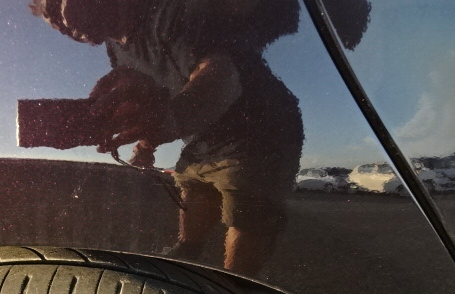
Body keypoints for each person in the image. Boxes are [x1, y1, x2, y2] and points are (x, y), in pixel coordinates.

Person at [29, 0, 364, 275]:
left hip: (260, 130)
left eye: (57, 7)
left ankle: (238, 289)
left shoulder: (168, 13)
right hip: (202, 134)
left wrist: (170, 121)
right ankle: (187, 253)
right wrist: (146, 143)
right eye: (51, 21)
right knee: (194, 188)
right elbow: (155, 97)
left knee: (248, 210)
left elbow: (222, 76)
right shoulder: (116, 50)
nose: (60, 24)